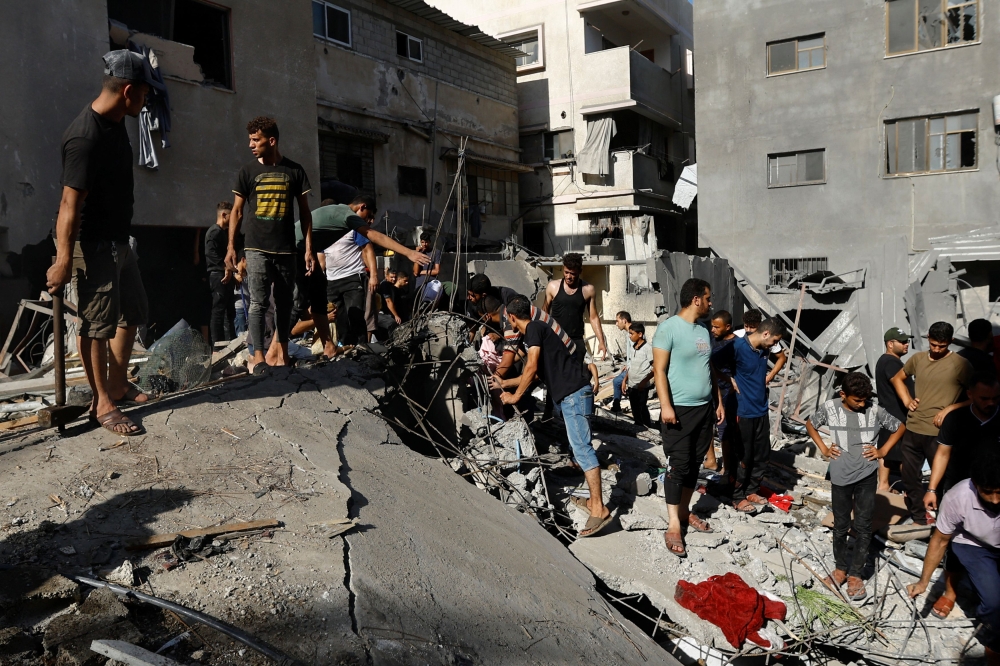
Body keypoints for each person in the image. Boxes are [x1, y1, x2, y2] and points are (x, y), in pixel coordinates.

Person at [47, 50, 155, 435]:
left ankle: (117, 383)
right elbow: (68, 204)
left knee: (134, 312)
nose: (146, 100)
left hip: (119, 240)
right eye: (144, 93)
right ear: (128, 91)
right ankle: (101, 403)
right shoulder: (84, 137)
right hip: (92, 245)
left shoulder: (115, 122)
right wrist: (62, 259)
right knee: (96, 325)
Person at [496, 295, 612, 538]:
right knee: (581, 448)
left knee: (582, 449)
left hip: (574, 396)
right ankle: (592, 502)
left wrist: (515, 397)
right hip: (572, 395)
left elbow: (530, 367)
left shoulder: (535, 329)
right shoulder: (540, 332)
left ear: (512, 317)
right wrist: (505, 382)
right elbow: (536, 375)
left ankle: (599, 508)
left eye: (509, 320)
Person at [806, 372, 906, 601]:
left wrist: (882, 451)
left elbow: (899, 427)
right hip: (840, 475)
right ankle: (840, 569)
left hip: (867, 475)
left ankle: (856, 575)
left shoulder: (874, 410)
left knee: (862, 526)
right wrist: (823, 448)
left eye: (865, 400)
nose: (862, 404)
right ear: (843, 394)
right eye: (857, 401)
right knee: (841, 525)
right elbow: (811, 424)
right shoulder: (830, 408)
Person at [228, 116, 314, 374]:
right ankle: (258, 357)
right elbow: (237, 212)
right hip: (256, 248)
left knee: (286, 302)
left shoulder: (295, 171)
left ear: (271, 140)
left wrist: (309, 247)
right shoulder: (247, 171)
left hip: (286, 248)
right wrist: (231, 246)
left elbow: (306, 213)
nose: (251, 145)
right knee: (257, 302)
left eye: (256, 140)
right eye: (250, 140)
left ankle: (283, 354)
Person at [652, 278, 725, 557]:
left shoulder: (703, 330)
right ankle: (673, 524)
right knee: (678, 465)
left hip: (704, 409)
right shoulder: (668, 329)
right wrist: (666, 406)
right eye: (708, 298)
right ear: (696, 299)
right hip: (679, 410)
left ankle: (684, 512)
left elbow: (708, 369)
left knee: (695, 464)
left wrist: (717, 401)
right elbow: (659, 370)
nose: (710, 303)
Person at [908, 447, 1000, 666]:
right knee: (994, 602)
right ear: (975, 484)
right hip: (974, 543)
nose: (995, 500)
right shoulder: (958, 497)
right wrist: (924, 582)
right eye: (988, 492)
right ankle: (994, 644)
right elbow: (939, 540)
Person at [922, 372, 1000, 618]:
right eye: (984, 398)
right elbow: (942, 454)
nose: (991, 403)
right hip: (959, 488)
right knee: (953, 542)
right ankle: (950, 591)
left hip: (997, 487)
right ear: (970, 396)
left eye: (996, 398)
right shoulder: (956, 419)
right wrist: (932, 488)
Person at [316, 196, 429, 347]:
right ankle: (346, 350)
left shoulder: (352, 227)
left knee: (356, 316)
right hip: (332, 281)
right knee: (339, 319)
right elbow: (321, 259)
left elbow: (368, 251)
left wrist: (374, 276)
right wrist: (317, 281)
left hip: (353, 277)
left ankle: (361, 349)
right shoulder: (325, 232)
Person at [891, 321, 973, 525]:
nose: (936, 350)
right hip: (913, 427)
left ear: (950, 342)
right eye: (933, 344)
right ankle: (920, 518)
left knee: (942, 480)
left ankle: (946, 520)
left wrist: (950, 409)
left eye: (942, 346)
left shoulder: (961, 365)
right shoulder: (917, 359)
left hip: (939, 433)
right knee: (909, 477)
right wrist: (907, 400)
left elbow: (977, 397)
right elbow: (897, 379)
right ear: (928, 339)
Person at [712, 317, 787, 513]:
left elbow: (781, 357)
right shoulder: (736, 346)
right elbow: (711, 364)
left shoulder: (763, 349)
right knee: (742, 456)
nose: (775, 345)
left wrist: (769, 376)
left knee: (761, 454)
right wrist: (729, 379)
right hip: (742, 410)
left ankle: (752, 490)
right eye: (774, 340)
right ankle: (736, 497)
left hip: (760, 409)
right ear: (765, 334)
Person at [542, 252, 609, 360]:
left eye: (572, 274)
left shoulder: (588, 290)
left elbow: (593, 317)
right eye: (566, 272)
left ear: (579, 272)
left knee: (576, 374)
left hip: (576, 341)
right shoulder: (553, 287)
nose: (568, 277)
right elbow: (544, 313)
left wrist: (601, 341)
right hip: (556, 338)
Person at [874, 327, 913, 492]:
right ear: (890, 344)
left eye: (907, 341)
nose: (906, 345)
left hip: (890, 414)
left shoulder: (887, 360)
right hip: (897, 415)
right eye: (902, 342)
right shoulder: (891, 362)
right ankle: (910, 490)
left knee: (888, 451)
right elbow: (896, 382)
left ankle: (884, 486)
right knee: (905, 455)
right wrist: (909, 402)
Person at [708, 310, 737, 475]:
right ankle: (711, 459)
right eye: (712, 326)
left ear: (727, 327)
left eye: (716, 327)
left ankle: (727, 466)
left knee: (725, 431)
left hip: (728, 393)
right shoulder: (711, 341)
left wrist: (731, 384)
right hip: (710, 389)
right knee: (707, 427)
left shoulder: (737, 344)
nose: (713, 330)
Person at [204, 202, 236, 345]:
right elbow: (211, 254)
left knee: (230, 310)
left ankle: (231, 341)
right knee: (218, 310)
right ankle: (218, 344)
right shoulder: (214, 232)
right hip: (218, 275)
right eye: (232, 215)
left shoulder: (223, 233)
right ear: (224, 215)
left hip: (225, 273)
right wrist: (226, 268)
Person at [734, 309, 787, 383]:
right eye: (746, 326)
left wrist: (769, 377)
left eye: (752, 327)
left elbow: (782, 358)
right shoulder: (736, 337)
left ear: (760, 325)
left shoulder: (769, 341)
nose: (748, 330)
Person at [623, 322, 654, 427]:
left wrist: (643, 382)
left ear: (640, 334)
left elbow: (655, 369)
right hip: (632, 384)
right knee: (634, 407)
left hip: (642, 386)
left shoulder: (648, 348)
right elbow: (630, 366)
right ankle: (638, 427)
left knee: (642, 407)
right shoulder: (633, 347)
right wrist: (624, 380)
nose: (630, 336)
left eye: (632, 333)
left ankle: (648, 427)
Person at [609, 311, 633, 413]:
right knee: (617, 381)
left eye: (617, 321)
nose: (616, 324)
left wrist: (628, 372)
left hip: (635, 369)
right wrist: (627, 365)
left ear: (624, 320)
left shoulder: (633, 334)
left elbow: (637, 356)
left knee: (618, 381)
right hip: (630, 367)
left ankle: (616, 405)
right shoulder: (630, 334)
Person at [377, 271, 409, 339]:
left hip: (388, 312)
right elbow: (388, 301)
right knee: (392, 324)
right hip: (383, 312)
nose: (394, 279)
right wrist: (396, 315)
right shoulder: (385, 285)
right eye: (391, 277)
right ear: (387, 276)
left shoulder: (391, 286)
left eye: (395, 277)